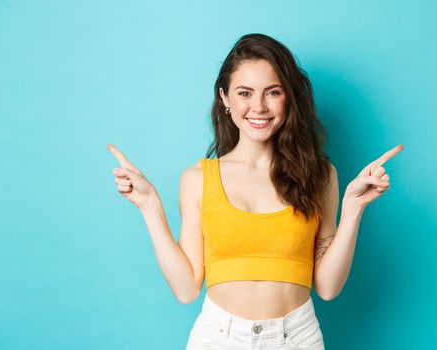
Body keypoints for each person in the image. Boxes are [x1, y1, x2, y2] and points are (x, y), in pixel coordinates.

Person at [107, 33, 403, 350]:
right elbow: (186, 290)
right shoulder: (198, 179)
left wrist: (354, 208)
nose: (258, 107)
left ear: (289, 97)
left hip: (297, 338)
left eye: (272, 92)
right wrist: (149, 206)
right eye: (244, 93)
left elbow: (328, 287)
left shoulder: (319, 175)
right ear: (225, 98)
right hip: (218, 337)